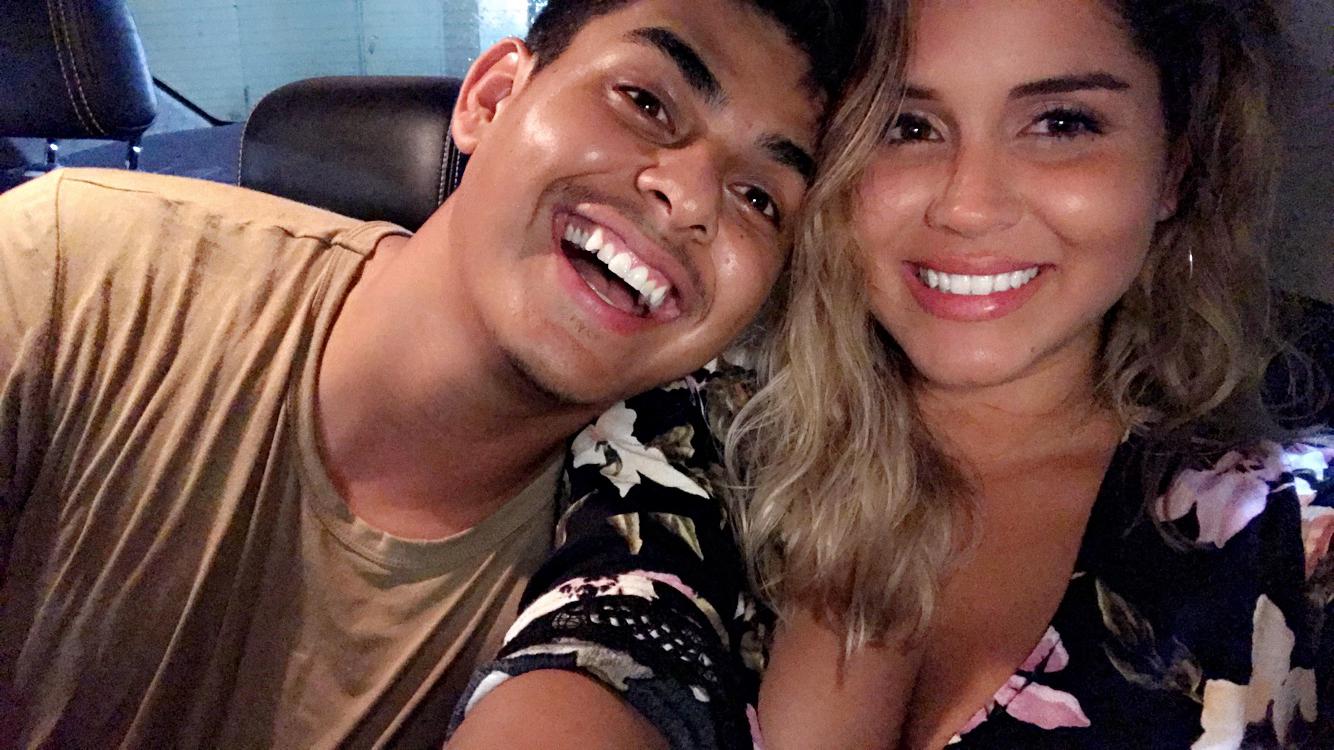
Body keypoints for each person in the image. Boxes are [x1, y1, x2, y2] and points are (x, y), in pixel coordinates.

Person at [451, 0, 1333, 748]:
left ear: (1174, 165)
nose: (969, 206)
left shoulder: (1289, 525)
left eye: (1062, 124)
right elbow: (602, 647)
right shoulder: (697, 426)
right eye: (906, 128)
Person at [0, 0, 864, 746]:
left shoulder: (666, 538)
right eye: (645, 101)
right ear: (492, 98)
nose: (692, 198)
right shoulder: (76, 273)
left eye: (760, 198)